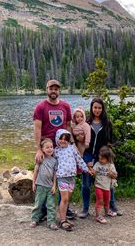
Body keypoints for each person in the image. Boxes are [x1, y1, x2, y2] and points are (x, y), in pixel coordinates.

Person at [33, 79, 77, 219]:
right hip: (48, 148)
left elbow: (69, 126)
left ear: (59, 90)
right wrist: (39, 149)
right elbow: (37, 128)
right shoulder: (40, 107)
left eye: (56, 89)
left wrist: (71, 144)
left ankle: (64, 207)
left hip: (63, 147)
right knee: (46, 177)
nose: (54, 91)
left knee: (63, 176)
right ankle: (44, 210)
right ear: (46, 89)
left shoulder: (65, 106)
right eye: (51, 88)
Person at [79, 97, 122, 218]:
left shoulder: (107, 123)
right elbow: (78, 136)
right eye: (95, 107)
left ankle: (112, 206)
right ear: (91, 108)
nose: (97, 110)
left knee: (107, 181)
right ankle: (85, 209)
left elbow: (110, 142)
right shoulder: (86, 122)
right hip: (87, 155)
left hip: (102, 157)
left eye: (99, 108)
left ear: (102, 109)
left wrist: (109, 158)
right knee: (86, 183)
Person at [54, 129, 93, 231]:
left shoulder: (72, 149)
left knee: (67, 200)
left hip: (71, 178)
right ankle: (62, 220)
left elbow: (79, 160)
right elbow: (51, 164)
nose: (63, 141)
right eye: (61, 139)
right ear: (57, 139)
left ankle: (64, 218)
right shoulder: (55, 151)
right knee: (64, 198)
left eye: (65, 139)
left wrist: (86, 169)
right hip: (62, 177)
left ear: (68, 140)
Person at [30, 138, 58, 230]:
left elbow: (54, 174)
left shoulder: (54, 160)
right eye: (47, 147)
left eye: (51, 147)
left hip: (50, 187)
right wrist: (33, 182)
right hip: (40, 185)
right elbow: (36, 171)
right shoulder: (40, 158)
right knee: (38, 204)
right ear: (42, 149)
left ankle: (51, 222)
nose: (50, 149)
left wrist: (54, 185)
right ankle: (34, 219)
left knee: (51, 205)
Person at [93, 146, 117, 224]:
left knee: (107, 200)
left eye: (102, 159)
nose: (100, 160)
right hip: (98, 186)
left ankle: (107, 212)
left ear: (108, 158)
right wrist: (90, 168)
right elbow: (93, 172)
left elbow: (115, 176)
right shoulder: (97, 164)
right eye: (99, 158)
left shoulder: (111, 166)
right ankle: (98, 216)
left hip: (107, 187)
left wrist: (111, 174)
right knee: (99, 200)